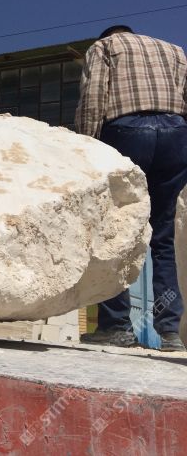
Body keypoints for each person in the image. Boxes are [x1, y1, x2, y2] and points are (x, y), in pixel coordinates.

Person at [76, 25, 187, 352]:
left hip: (126, 130)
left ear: (107, 35)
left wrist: (87, 148)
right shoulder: (175, 50)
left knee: (115, 229)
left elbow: (93, 97)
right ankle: (171, 332)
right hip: (175, 133)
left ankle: (116, 326)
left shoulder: (104, 47)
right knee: (164, 237)